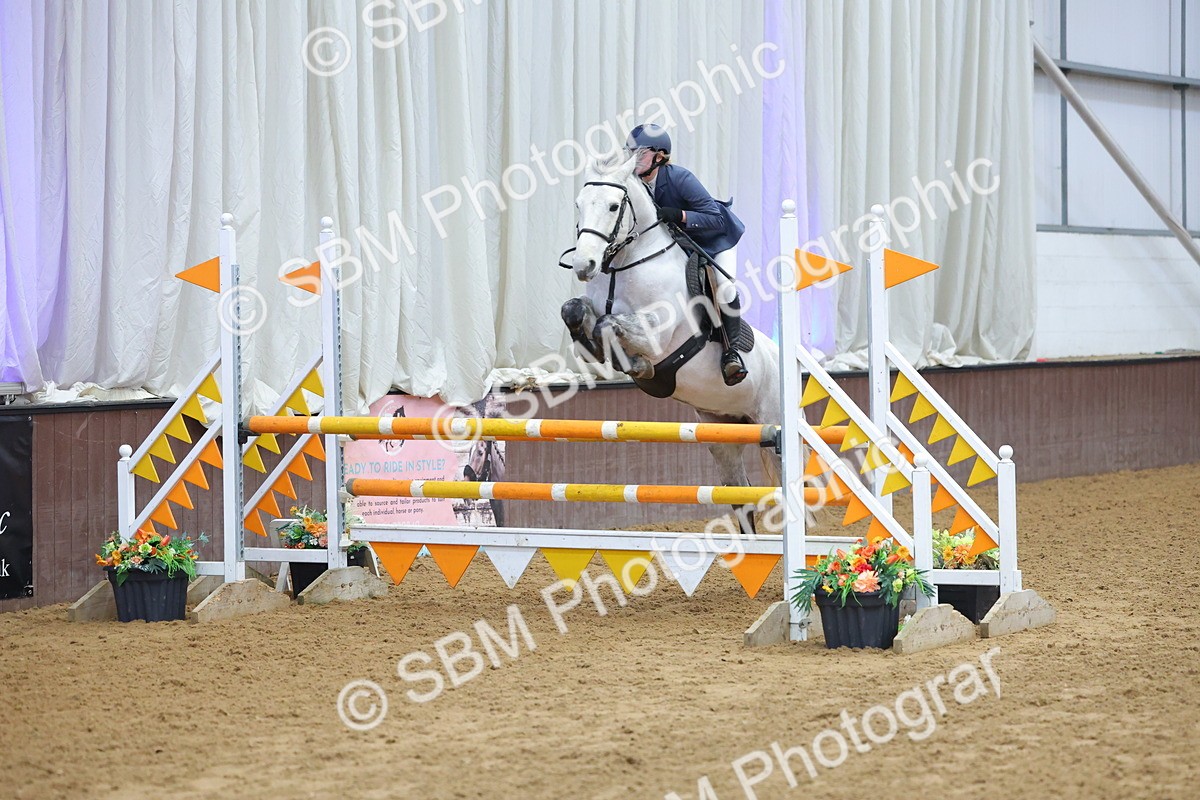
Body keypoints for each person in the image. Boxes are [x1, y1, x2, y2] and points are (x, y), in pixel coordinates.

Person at [625, 123, 748, 386]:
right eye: (630, 152)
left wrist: (679, 215)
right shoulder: (634, 184)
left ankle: (731, 353)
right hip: (682, 242)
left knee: (724, 288)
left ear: (659, 156)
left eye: (640, 153)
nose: (632, 158)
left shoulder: (680, 178)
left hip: (716, 238)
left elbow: (715, 219)